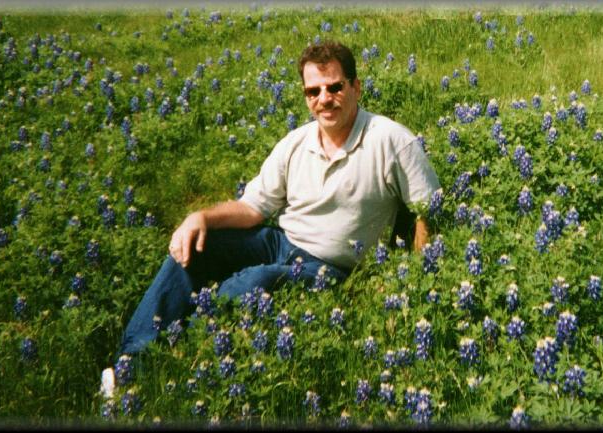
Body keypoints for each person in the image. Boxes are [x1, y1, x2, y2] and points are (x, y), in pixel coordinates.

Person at [100, 40, 440, 397]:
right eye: (313, 91)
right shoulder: (296, 142)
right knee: (194, 247)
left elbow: (427, 210)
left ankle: (184, 355)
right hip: (279, 242)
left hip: (330, 266)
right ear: (305, 96)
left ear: (356, 87)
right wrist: (199, 217)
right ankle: (130, 364)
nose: (324, 99)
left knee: (254, 281)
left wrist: (412, 281)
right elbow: (253, 208)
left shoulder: (391, 139)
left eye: (335, 87)